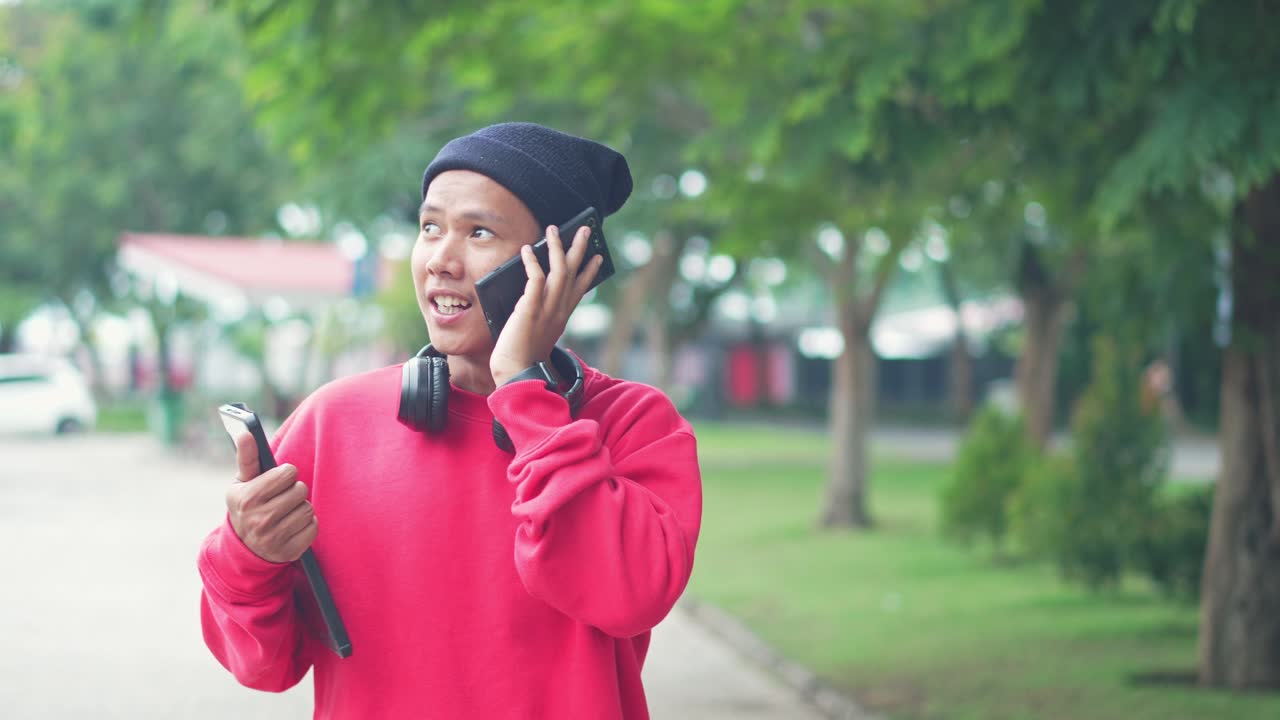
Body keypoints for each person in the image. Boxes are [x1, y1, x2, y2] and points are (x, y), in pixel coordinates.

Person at [197, 122, 703, 719]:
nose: (440, 259)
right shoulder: (332, 423)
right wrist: (247, 554)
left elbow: (628, 595)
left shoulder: (634, 424)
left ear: (559, 262)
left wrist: (524, 389)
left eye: (478, 232)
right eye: (430, 227)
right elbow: (264, 665)